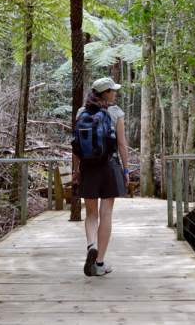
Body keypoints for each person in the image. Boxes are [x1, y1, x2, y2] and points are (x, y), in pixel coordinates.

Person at [72, 77, 130, 277]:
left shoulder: (81, 112)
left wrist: (76, 170)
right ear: (105, 93)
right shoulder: (116, 113)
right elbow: (121, 145)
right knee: (106, 214)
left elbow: (76, 146)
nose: (115, 93)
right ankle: (99, 263)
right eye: (112, 90)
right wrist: (126, 170)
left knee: (90, 214)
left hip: (88, 168)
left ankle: (91, 245)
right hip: (109, 167)